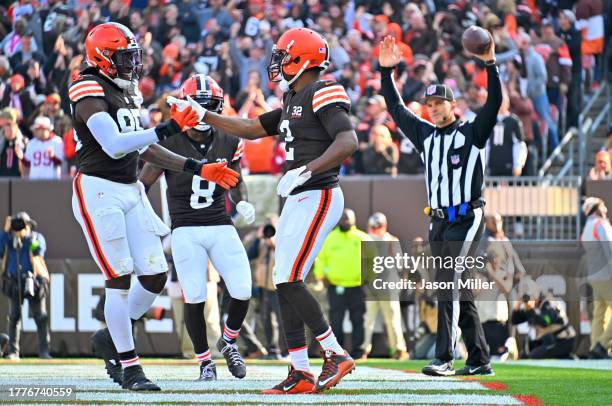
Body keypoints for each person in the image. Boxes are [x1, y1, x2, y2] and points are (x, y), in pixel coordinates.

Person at [68, 22, 239, 391]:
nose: (132, 63)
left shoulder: (127, 92)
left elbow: (144, 147)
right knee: (119, 278)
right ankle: (130, 366)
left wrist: (197, 166)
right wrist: (168, 128)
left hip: (130, 188)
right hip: (99, 189)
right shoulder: (87, 86)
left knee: (155, 275)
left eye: (134, 55)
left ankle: (113, 336)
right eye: (124, 56)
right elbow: (114, 144)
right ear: (103, 57)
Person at [192, 27, 359, 394]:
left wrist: (308, 168)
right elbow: (252, 128)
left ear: (301, 58)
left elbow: (348, 140)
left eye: (283, 56)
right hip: (300, 197)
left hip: (319, 193)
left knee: (288, 277)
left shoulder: (322, 90)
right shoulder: (293, 98)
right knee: (283, 280)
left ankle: (334, 352)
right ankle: (300, 371)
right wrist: (205, 115)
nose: (278, 64)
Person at [379, 34, 501, 376]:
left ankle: (445, 356)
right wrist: (386, 73)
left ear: (453, 105)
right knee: (459, 288)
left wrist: (490, 65)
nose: (432, 109)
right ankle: (479, 359)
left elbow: (493, 105)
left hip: (466, 216)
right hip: (439, 221)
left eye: (438, 103)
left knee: (448, 281)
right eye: (429, 105)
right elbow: (396, 109)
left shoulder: (472, 134)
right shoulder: (426, 136)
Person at [140, 74, 255, 381]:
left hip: (220, 222)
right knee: (194, 295)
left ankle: (228, 342)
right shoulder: (170, 140)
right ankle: (205, 361)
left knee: (243, 289)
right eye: (198, 105)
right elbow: (142, 184)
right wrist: (144, 218)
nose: (204, 113)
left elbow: (236, 179)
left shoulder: (229, 137)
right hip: (185, 228)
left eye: (211, 106)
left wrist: (241, 199)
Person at [314, 209, 370, 359]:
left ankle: (359, 352)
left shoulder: (362, 238)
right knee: (336, 321)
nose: (345, 221)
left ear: (354, 220)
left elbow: (374, 260)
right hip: (335, 286)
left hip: (357, 287)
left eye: (348, 218)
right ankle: (337, 352)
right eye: (343, 218)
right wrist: (321, 275)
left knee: (358, 320)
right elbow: (320, 258)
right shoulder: (330, 238)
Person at [0, 212, 50, 360]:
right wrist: (6, 230)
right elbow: (0, 249)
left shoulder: (35, 237)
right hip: (14, 281)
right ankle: (13, 352)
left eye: (21, 225)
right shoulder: (9, 239)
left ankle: (44, 352)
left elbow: (38, 250)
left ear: (28, 225)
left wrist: (27, 238)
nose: (18, 228)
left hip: (33, 281)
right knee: (14, 317)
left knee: (40, 317)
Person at [361, 212, 408, 360]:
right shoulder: (388, 240)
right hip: (382, 287)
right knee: (386, 321)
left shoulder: (370, 240)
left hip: (380, 287)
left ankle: (366, 350)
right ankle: (398, 350)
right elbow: (400, 266)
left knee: (377, 321)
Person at [247, 215, 286, 359]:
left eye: (272, 225)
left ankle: (286, 351)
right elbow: (249, 255)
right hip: (263, 286)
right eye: (267, 225)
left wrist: (273, 243)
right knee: (266, 320)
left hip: (278, 287)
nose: (270, 228)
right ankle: (272, 350)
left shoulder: (283, 238)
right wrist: (258, 238)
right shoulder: (262, 242)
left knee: (283, 320)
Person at [510, 281, 576, 359]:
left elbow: (545, 322)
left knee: (535, 355)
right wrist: (517, 306)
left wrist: (530, 309)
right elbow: (514, 321)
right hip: (548, 340)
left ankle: (566, 357)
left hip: (563, 340)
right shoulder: (531, 306)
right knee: (524, 355)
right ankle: (563, 356)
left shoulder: (548, 303)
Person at [580, 197, 612, 359]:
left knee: (601, 313)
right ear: (595, 209)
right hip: (607, 276)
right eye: (602, 206)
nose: (605, 209)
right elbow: (610, 249)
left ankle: (595, 347)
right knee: (602, 313)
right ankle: (602, 344)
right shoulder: (601, 224)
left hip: (595, 277)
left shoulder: (587, 227)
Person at [486, 93, 527, 177]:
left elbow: (520, 144)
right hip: (492, 165)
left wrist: (518, 164)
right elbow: (486, 144)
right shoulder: (489, 120)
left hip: (508, 165)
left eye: (503, 101)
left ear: (508, 103)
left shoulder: (513, 121)